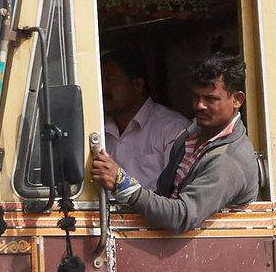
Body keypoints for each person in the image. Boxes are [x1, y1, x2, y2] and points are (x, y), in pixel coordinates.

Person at [87, 53, 261, 232]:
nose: (199, 105)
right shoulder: (189, 137)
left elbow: (182, 216)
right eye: (196, 97)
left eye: (211, 99)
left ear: (237, 100)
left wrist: (122, 183)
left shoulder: (229, 158)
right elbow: (165, 193)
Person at [99, 48, 184, 194]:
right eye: (100, 81)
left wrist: (120, 182)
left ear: (137, 85)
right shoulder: (99, 132)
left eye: (109, 80)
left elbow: (175, 200)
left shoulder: (173, 128)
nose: (102, 88)